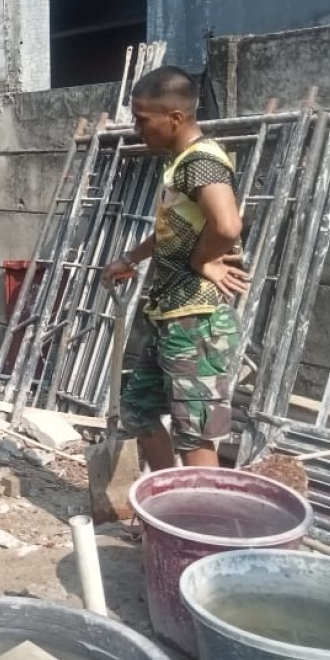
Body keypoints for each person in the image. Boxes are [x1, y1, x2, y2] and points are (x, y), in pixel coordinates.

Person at [102, 66, 248, 471]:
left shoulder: (201, 161)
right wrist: (129, 258)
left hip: (197, 319)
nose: (137, 128)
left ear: (175, 118)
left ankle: (200, 510)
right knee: (138, 410)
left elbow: (227, 225)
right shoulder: (181, 163)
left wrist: (203, 260)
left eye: (142, 119)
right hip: (171, 315)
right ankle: (171, 495)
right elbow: (174, 230)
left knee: (194, 433)